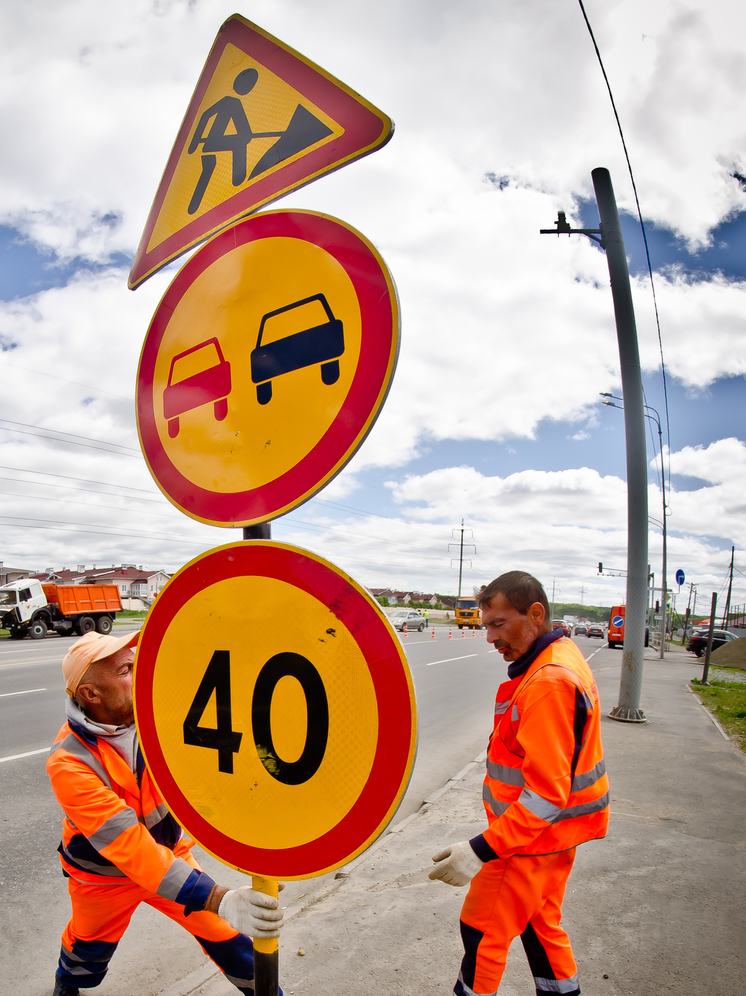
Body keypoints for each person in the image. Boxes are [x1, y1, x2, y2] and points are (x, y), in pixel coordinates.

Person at [47, 630, 284, 996]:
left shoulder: (157, 718)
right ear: (91, 694)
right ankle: (68, 985)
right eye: (127, 669)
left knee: (228, 937)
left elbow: (218, 761)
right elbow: (130, 847)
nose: (140, 672)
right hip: (104, 879)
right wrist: (217, 898)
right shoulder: (68, 763)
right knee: (87, 949)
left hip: (171, 856)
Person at [429, 571, 609, 996]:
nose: (489, 637)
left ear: (535, 614)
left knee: (482, 933)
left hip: (524, 841)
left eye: (498, 624)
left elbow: (546, 794)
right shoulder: (561, 656)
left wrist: (480, 850)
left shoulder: (547, 682)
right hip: (555, 838)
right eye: (485, 625)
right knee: (540, 925)